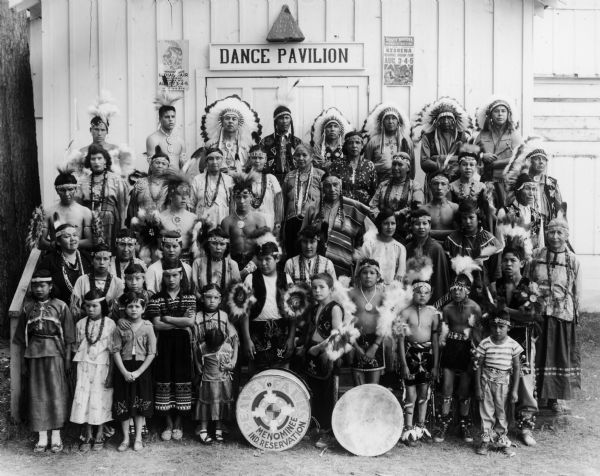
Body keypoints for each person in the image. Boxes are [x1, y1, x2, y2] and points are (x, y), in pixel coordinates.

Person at [12, 269, 75, 453]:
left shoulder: (61, 306)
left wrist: (68, 360)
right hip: (33, 354)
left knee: (56, 392)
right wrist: (23, 362)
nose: (39, 289)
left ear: (50, 286)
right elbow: (21, 338)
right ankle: (41, 436)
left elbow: (70, 337)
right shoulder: (27, 308)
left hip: (55, 353)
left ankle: (56, 436)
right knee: (36, 393)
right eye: (35, 285)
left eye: (43, 285)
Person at [493, 233, 539, 446]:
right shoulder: (497, 286)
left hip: (523, 339)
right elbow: (493, 311)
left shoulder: (530, 286)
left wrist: (506, 311)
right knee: (500, 379)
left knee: (524, 382)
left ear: (522, 262)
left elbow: (530, 315)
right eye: (505, 260)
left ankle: (526, 427)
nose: (508, 264)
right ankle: (499, 425)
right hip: (501, 339)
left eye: (513, 260)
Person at [530, 218, 581, 413]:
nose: (555, 237)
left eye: (560, 233)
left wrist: (575, 313)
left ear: (567, 235)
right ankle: (536, 395)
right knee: (540, 354)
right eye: (552, 232)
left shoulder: (573, 260)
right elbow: (528, 280)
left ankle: (555, 398)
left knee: (558, 355)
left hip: (561, 314)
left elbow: (577, 291)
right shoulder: (535, 256)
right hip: (540, 313)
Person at [145, 260, 196, 441]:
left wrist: (166, 317)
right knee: (164, 379)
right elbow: (156, 324)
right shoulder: (156, 298)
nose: (171, 279)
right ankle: (167, 423)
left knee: (182, 379)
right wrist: (178, 321)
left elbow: (190, 322)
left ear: (181, 275)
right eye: (167, 275)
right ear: (163, 277)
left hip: (183, 345)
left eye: (175, 275)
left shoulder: (189, 296)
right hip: (164, 345)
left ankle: (179, 423)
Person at [434, 260, 482, 444]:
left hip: (467, 351)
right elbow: (442, 335)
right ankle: (443, 424)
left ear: (468, 290)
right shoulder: (447, 309)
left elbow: (477, 334)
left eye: (460, 289)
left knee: (464, 391)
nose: (457, 292)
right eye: (454, 289)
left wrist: (476, 356)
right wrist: (438, 363)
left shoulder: (474, 308)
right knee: (446, 388)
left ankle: (465, 424)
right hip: (450, 350)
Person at [395, 278, 440, 445]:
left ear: (430, 294)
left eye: (426, 292)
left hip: (427, 356)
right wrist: (404, 365)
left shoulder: (434, 314)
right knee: (410, 393)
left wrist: (435, 365)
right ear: (412, 293)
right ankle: (408, 429)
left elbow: (435, 341)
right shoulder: (404, 313)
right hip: (410, 355)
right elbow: (400, 340)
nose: (422, 295)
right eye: (418, 292)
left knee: (424, 393)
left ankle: (420, 426)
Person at [241, 236, 295, 375]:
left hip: (280, 329)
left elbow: (292, 310)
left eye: (268, 259)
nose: (264, 263)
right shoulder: (251, 278)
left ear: (277, 259)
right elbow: (245, 311)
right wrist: (247, 339)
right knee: (257, 372)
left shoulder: (286, 278)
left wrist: (291, 337)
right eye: (261, 259)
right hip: (257, 331)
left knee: (282, 372)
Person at [70, 289, 116, 452]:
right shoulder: (80, 324)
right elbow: (76, 349)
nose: (90, 309)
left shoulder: (110, 324)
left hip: (102, 367)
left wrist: (111, 374)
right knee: (85, 398)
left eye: (94, 306)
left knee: (100, 398)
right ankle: (87, 433)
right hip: (84, 367)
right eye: (87, 306)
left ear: (102, 306)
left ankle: (100, 433)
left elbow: (112, 352)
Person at [302, 273, 343, 449]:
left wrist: (319, 349)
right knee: (314, 392)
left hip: (327, 354)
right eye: (314, 287)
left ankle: (329, 432)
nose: (317, 290)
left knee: (328, 395)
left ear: (331, 289)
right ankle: (317, 427)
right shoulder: (315, 307)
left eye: (322, 287)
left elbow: (336, 334)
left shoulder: (335, 308)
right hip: (313, 354)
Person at [111, 292, 156, 452]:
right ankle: (125, 438)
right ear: (125, 309)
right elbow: (115, 350)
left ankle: (137, 438)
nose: (134, 309)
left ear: (143, 309)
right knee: (124, 403)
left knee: (139, 403)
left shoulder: (148, 327)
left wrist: (138, 372)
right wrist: (123, 372)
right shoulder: (120, 327)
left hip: (141, 369)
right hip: (124, 367)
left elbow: (151, 353)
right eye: (130, 306)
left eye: (137, 306)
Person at [193, 285, 238, 444]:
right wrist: (197, 363)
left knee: (221, 396)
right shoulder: (197, 317)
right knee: (205, 396)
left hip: (221, 364)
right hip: (205, 363)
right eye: (208, 297)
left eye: (215, 297)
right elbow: (194, 345)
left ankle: (219, 426)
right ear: (202, 298)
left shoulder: (224, 316)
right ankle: (203, 426)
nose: (211, 301)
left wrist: (232, 361)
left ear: (221, 299)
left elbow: (234, 341)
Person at [303, 173, 370, 278]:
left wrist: (357, 252)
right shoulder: (313, 208)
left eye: (335, 185)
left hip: (344, 259)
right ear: (322, 187)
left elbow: (360, 237)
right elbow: (304, 234)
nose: (332, 189)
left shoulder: (352, 208)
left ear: (341, 186)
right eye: (327, 185)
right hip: (318, 259)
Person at [474, 310, 522, 457]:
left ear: (509, 327)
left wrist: (514, 390)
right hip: (486, 382)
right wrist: (478, 387)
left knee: (502, 412)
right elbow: (478, 365)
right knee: (486, 411)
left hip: (504, 384)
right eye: (494, 326)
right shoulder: (485, 343)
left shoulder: (513, 345)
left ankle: (502, 441)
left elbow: (517, 367)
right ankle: (486, 441)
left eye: (502, 326)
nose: (498, 330)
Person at [444, 199, 502, 304]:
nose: (468, 221)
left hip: (482, 288)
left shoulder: (489, 241)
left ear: (478, 218)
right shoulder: (453, 239)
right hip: (458, 290)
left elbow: (495, 272)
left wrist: (493, 291)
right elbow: (447, 269)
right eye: (464, 218)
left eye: (471, 217)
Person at [68, 91, 134, 183]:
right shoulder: (82, 152)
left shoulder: (116, 150)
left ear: (107, 132)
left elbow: (125, 174)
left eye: (102, 130)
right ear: (90, 130)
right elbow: (78, 177)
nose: (99, 133)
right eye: (96, 129)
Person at [412, 97, 472, 193]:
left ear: (455, 120)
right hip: (435, 180)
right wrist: (443, 167)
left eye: (449, 118)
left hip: (457, 179)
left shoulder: (462, 136)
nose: (446, 121)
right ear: (437, 121)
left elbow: (465, 159)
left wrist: (437, 158)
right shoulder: (428, 137)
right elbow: (424, 162)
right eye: (442, 118)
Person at [191, 94, 262, 176]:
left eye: (234, 119)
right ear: (222, 121)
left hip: (240, 183)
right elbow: (202, 168)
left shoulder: (247, 146)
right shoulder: (211, 144)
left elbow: (253, 168)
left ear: (239, 122)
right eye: (227, 118)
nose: (230, 121)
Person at [474, 96, 523, 208]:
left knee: (506, 214)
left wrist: (496, 164)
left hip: (507, 184)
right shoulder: (483, 134)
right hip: (487, 182)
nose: (500, 114)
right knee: (487, 214)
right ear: (490, 115)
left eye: (503, 111)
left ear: (508, 114)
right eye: (496, 111)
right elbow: (471, 154)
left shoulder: (514, 134)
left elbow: (519, 158)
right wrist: (482, 156)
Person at [77, 144, 129, 248]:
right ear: (89, 162)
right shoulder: (82, 182)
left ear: (105, 160)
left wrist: (123, 226)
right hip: (89, 224)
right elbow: (79, 208)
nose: (96, 162)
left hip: (111, 223)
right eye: (93, 159)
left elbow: (122, 206)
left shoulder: (116, 180)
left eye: (99, 158)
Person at [281, 143, 324, 258]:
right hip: (292, 220)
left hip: (312, 221)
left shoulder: (320, 175)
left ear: (312, 157)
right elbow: (283, 201)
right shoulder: (289, 176)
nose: (301, 158)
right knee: (292, 253)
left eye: (304, 155)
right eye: (298, 155)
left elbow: (325, 200)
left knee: (310, 253)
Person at [221, 175, 268, 276]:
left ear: (251, 196)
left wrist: (246, 270)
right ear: (234, 198)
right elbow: (224, 249)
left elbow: (264, 248)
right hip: (233, 264)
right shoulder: (227, 221)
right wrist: (234, 270)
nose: (242, 201)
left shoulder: (259, 220)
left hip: (255, 264)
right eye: (238, 197)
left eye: (245, 196)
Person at [349, 259, 386, 385]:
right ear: (359, 275)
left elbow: (386, 323)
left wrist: (375, 346)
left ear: (378, 276)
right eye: (364, 272)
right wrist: (356, 347)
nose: (368, 276)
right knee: (358, 388)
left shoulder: (383, 296)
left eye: (372, 273)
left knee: (373, 388)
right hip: (356, 342)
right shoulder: (351, 294)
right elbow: (346, 323)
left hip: (376, 341)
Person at [36, 223, 93, 305]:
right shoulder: (50, 261)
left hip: (88, 306)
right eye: (67, 236)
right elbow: (41, 285)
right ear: (58, 242)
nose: (73, 239)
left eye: (75, 235)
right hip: (60, 307)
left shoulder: (87, 257)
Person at [38, 167, 93, 251]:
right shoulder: (48, 212)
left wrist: (67, 244)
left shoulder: (85, 212)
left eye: (70, 189)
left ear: (76, 189)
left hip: (79, 255)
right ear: (57, 190)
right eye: (62, 190)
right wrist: (54, 245)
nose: (67, 194)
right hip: (56, 256)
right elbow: (41, 242)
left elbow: (90, 242)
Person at [405, 208, 450, 306]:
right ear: (412, 226)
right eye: (417, 224)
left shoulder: (436, 249)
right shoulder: (408, 248)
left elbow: (440, 279)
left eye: (425, 223)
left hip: (431, 297)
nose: (421, 227)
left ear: (429, 226)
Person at [70, 244, 125, 321]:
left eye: (105, 259)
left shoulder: (117, 282)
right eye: (98, 259)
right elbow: (75, 309)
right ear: (92, 261)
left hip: (110, 325)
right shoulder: (82, 280)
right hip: (85, 322)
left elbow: (121, 309)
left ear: (110, 261)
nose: (102, 262)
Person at [362, 103, 415, 181]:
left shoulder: (406, 140)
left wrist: (410, 182)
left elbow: (412, 164)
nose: (390, 121)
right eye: (387, 118)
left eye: (393, 118)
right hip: (379, 181)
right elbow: (366, 165)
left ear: (398, 122)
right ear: (382, 122)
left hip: (401, 182)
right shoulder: (374, 141)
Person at [369, 153, 424, 226]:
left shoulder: (415, 186)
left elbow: (418, 207)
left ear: (408, 168)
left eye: (400, 165)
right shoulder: (383, 185)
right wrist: (381, 219)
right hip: (384, 226)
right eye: (394, 164)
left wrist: (399, 214)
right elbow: (373, 206)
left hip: (406, 227)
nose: (396, 168)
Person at [355, 209, 406, 286]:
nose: (390, 227)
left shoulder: (400, 248)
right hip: (370, 290)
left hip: (391, 292)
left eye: (393, 223)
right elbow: (359, 272)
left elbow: (400, 274)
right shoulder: (369, 245)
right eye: (386, 223)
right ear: (380, 224)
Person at [329, 130, 377, 206]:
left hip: (364, 207)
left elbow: (374, 190)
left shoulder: (369, 165)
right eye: (350, 143)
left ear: (362, 146)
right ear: (346, 146)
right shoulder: (337, 164)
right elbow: (331, 188)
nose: (354, 146)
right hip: (342, 205)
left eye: (357, 143)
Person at [192, 226, 240, 300]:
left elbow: (237, 289)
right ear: (208, 245)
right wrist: (205, 301)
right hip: (203, 304)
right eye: (214, 243)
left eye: (222, 244)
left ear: (227, 246)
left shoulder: (232, 264)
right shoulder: (198, 263)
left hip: (226, 305)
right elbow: (194, 289)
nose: (218, 247)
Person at [497, 173, 543, 250]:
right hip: (511, 260)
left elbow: (540, 245)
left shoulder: (537, 216)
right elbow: (500, 246)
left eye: (534, 189)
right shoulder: (505, 212)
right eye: (527, 188)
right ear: (518, 190)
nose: (531, 193)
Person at [189, 147, 233, 225]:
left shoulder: (229, 180)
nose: (214, 162)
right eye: (211, 159)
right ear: (206, 162)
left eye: (218, 158)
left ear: (222, 160)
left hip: (222, 226)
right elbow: (191, 205)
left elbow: (232, 206)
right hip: (202, 226)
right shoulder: (197, 179)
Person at [159, 175, 199, 261]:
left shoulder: (194, 218)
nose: (184, 198)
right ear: (171, 196)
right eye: (179, 195)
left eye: (187, 194)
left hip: (188, 262)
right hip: (167, 263)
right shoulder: (161, 218)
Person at [261, 105, 303, 185]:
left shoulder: (297, 142)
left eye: (287, 118)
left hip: (293, 181)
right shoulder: (265, 141)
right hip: (270, 180)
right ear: (276, 121)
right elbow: (259, 162)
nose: (284, 121)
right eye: (281, 118)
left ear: (290, 120)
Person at [146, 89, 186, 172]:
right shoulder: (153, 138)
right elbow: (152, 166)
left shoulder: (180, 141)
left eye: (173, 116)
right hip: (159, 181)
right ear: (160, 119)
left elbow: (183, 167)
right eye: (167, 117)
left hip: (176, 181)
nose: (171, 120)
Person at [127, 146, 171, 221]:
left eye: (163, 164)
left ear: (168, 168)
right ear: (150, 166)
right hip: (141, 226)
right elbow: (132, 206)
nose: (160, 166)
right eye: (157, 163)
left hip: (164, 226)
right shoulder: (141, 183)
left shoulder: (171, 185)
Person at [247, 145, 283, 232]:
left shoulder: (271, 178)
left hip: (268, 222)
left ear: (265, 159)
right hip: (248, 223)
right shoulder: (244, 179)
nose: (257, 161)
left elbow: (279, 202)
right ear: (249, 159)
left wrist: (277, 223)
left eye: (260, 158)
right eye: (254, 158)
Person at [145, 231, 193, 295]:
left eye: (175, 246)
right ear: (162, 246)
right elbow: (150, 294)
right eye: (168, 246)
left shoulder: (187, 268)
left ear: (181, 247)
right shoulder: (153, 269)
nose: (171, 250)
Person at [310, 106, 353, 172]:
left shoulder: (346, 147)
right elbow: (317, 165)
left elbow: (349, 164)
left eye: (335, 126)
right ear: (324, 130)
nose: (332, 129)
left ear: (340, 130)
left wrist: (326, 164)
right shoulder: (318, 148)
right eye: (329, 126)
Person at [423, 172, 459, 242]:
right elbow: (420, 231)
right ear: (430, 187)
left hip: (451, 246)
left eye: (443, 184)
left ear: (448, 188)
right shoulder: (424, 209)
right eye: (436, 184)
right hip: (430, 246)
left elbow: (460, 232)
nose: (439, 188)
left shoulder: (455, 208)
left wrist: (430, 232)